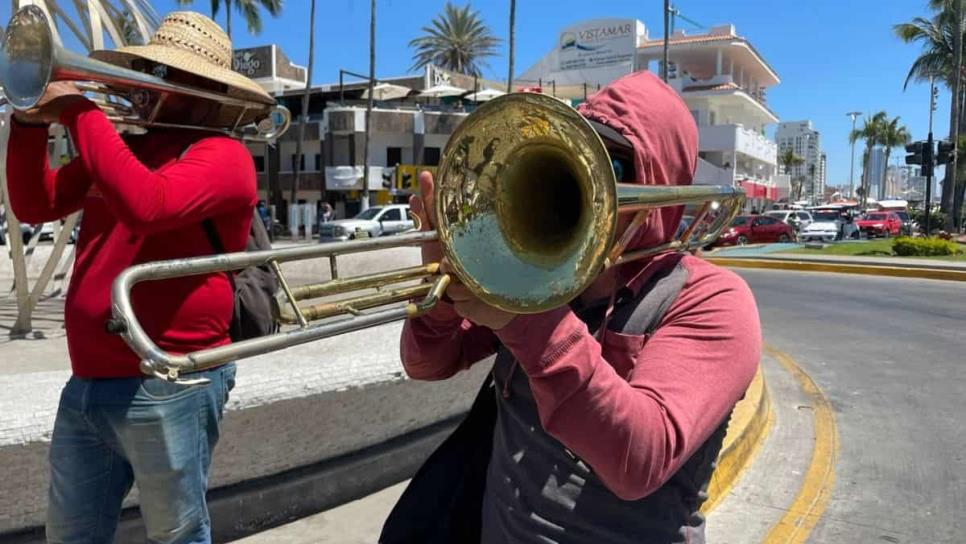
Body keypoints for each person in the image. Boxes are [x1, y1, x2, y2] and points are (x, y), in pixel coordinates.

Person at [394, 72, 761, 543]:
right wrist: (441, 300)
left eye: (616, 164)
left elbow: (639, 459)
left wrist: (527, 322)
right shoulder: (544, 273)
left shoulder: (711, 300)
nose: (592, 178)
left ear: (660, 182)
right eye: (583, 152)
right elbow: (426, 364)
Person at [6, 12, 269, 543]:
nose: (147, 84)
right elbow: (36, 204)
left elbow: (147, 204)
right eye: (150, 69)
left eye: (166, 75)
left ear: (207, 90)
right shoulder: (129, 147)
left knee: (178, 536)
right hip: (88, 384)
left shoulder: (224, 155)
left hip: (170, 382)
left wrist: (79, 110)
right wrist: (30, 125)